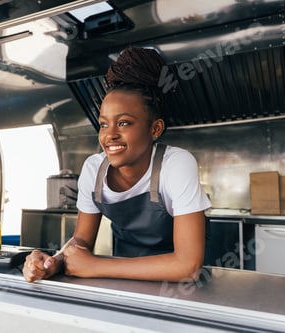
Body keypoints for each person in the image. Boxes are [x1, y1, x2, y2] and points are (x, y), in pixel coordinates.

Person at [23, 46, 212, 282]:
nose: (109, 135)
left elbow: (187, 266)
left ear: (155, 128)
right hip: (125, 283)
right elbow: (80, 242)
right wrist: (54, 262)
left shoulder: (176, 165)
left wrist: (95, 266)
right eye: (103, 124)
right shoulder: (94, 169)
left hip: (183, 288)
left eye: (123, 123)